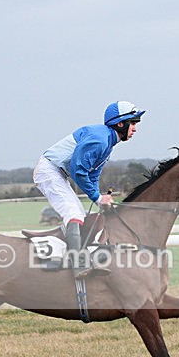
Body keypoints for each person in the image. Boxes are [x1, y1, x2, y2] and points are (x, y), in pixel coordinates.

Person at [33, 101, 145, 279]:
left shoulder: (107, 142)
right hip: (50, 171)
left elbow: (92, 175)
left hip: (58, 173)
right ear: (120, 124)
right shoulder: (100, 140)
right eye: (133, 123)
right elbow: (78, 171)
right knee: (73, 214)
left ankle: (75, 255)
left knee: (80, 216)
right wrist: (97, 197)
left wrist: (99, 198)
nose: (135, 129)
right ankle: (78, 265)